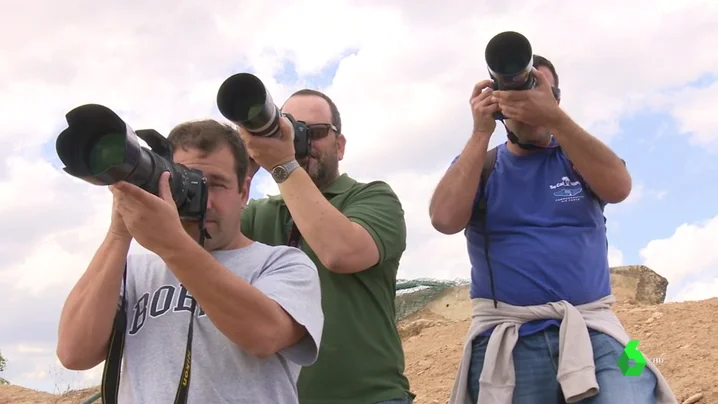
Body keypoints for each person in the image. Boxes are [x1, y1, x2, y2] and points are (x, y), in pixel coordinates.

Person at [429, 56, 678, 403]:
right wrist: (480, 132)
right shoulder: (482, 167)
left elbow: (619, 187)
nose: (529, 102)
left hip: (598, 327)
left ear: (556, 98)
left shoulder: (577, 157)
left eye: (539, 91)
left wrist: (555, 119)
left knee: (637, 386)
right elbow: (443, 219)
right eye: (516, 92)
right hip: (507, 337)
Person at [56, 120, 324, 404]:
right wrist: (119, 232)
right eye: (187, 183)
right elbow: (74, 353)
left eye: (216, 185)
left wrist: (172, 244)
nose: (203, 202)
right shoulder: (133, 271)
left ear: (244, 191)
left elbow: (264, 335)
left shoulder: (284, 264)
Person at [238, 89, 414, 404]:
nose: (301, 142)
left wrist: (282, 164)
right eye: (288, 131)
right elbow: (200, 244)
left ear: (340, 144)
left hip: (369, 398)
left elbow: (340, 252)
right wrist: (242, 169)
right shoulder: (257, 215)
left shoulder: (372, 198)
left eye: (315, 133)